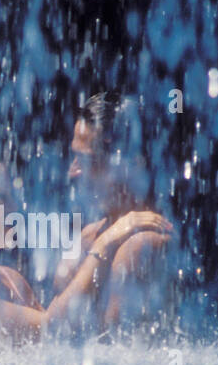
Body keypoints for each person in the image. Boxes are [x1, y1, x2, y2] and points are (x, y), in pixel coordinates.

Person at [0, 136, 171, 347]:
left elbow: (67, 345)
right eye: (1, 197)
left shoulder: (10, 280)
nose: (14, 208)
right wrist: (106, 244)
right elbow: (53, 331)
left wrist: (81, 253)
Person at [53, 92, 177, 331]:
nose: (73, 172)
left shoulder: (144, 242)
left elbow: (108, 351)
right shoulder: (94, 234)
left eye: (87, 160)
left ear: (130, 164)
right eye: (74, 157)